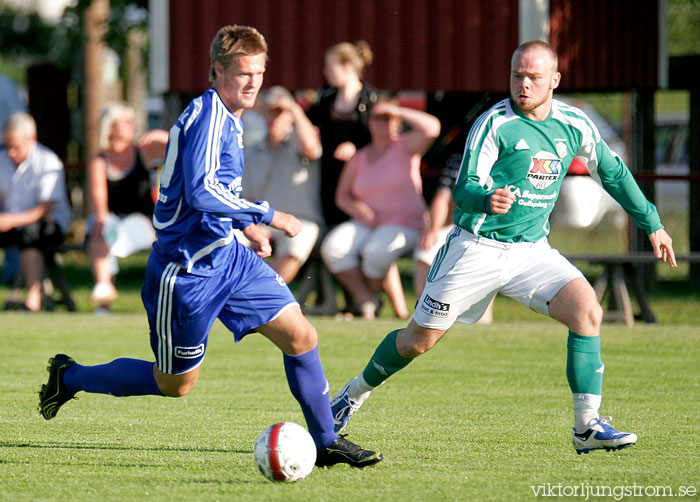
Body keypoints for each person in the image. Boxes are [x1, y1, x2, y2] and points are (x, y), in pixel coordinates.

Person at [38, 24, 381, 469]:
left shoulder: (233, 117)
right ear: (217, 70)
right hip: (185, 273)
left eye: (259, 72)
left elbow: (211, 195)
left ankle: (326, 441)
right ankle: (71, 376)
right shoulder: (207, 118)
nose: (254, 81)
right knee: (175, 384)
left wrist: (243, 230)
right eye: (244, 73)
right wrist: (266, 215)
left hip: (229, 257)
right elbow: (200, 192)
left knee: (301, 335)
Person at [329, 40, 677, 455]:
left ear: (554, 80)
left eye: (533, 77)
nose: (523, 84)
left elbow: (614, 173)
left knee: (587, 311)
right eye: (517, 75)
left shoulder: (575, 123)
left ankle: (586, 428)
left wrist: (653, 224)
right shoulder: (494, 123)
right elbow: (465, 188)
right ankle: (350, 396)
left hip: (531, 251)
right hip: (475, 248)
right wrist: (486, 198)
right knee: (416, 341)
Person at [306, 40, 405, 316]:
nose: (326, 72)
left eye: (330, 66)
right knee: (341, 243)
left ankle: (381, 306)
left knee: (372, 245)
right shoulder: (326, 99)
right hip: (331, 182)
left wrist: (357, 149)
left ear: (347, 67)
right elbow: (309, 125)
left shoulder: (372, 100)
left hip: (365, 185)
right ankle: (348, 303)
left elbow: (386, 142)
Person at [320, 96, 441, 319]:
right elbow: (342, 196)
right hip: (368, 223)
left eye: (387, 118)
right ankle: (367, 300)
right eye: (376, 117)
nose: (381, 122)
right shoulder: (360, 156)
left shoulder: (406, 146)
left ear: (396, 121)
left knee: (376, 252)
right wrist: (356, 208)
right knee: (334, 247)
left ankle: (369, 306)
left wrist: (398, 110)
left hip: (405, 223)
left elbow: (433, 128)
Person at [86, 101, 169, 312]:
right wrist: (101, 220)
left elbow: (188, 148)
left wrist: (163, 136)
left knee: (108, 233)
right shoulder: (99, 160)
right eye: (123, 122)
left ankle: (103, 289)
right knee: (99, 225)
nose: (129, 125)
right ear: (110, 126)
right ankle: (103, 295)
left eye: (130, 121)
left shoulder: (144, 152)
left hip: (143, 223)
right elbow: (99, 198)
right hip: (112, 222)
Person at [239, 85, 323, 284]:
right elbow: (246, 197)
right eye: (271, 112)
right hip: (263, 220)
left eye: (280, 112)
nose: (275, 118)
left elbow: (312, 147)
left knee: (297, 243)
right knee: (228, 238)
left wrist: (293, 107)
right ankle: (231, 294)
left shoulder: (300, 144)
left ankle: (263, 295)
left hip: (300, 220)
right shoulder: (251, 152)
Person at [0, 112, 72, 312]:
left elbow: (44, 209)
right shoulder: (1, 161)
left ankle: (33, 296)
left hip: (48, 225)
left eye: (16, 147)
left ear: (32, 139)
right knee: (27, 233)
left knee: (31, 234)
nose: (11, 153)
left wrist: (10, 220)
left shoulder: (48, 162)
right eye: (7, 146)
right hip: (12, 224)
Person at [413, 152, 494, 323]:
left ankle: (484, 320)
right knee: (425, 252)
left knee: (487, 267)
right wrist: (433, 229)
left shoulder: (501, 159)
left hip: (489, 230)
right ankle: (423, 314)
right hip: (456, 226)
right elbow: (443, 197)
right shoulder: (458, 160)